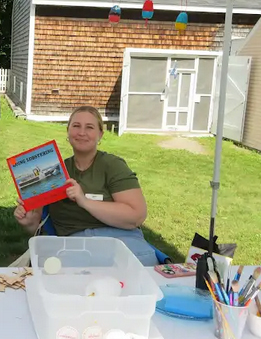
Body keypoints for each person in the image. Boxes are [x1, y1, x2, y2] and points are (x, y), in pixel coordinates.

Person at [13, 106, 157, 266]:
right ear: (68, 131)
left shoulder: (112, 165)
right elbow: (38, 228)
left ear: (100, 134)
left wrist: (84, 201)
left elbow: (136, 216)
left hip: (119, 241)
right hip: (73, 248)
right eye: (76, 126)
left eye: (89, 127)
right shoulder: (52, 171)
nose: (82, 133)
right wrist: (28, 221)